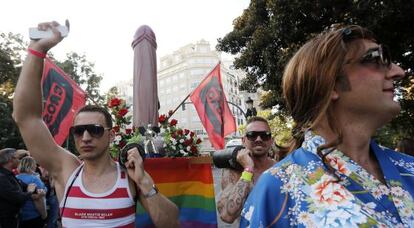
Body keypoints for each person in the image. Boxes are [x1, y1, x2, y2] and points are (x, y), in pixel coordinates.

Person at [240, 25, 414, 227]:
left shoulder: (409, 168)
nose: (398, 72)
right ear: (330, 83)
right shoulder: (278, 188)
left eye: (264, 134)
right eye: (375, 59)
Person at [13, 21, 179, 228]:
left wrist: (144, 181)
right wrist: (37, 50)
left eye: (95, 130)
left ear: (110, 135)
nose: (85, 137)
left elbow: (171, 223)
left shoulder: (128, 177)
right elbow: (26, 117)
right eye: (78, 131)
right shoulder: (66, 170)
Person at [217, 116, 276, 226]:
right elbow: (227, 216)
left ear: (271, 140)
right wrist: (248, 170)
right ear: (243, 140)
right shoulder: (232, 172)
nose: (259, 139)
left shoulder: (279, 169)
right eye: (252, 135)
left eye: (265, 135)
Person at [0, 148, 37, 228]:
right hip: (6, 220)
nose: (20, 161)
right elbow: (18, 198)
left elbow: (23, 185)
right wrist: (30, 191)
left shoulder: (9, 174)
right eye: (18, 158)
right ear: (11, 160)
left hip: (13, 218)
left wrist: (34, 188)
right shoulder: (2, 177)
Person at [16, 156, 47, 228]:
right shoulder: (34, 179)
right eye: (35, 164)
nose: (36, 166)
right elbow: (39, 197)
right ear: (31, 165)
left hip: (21, 214)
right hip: (34, 214)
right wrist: (44, 215)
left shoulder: (16, 177)